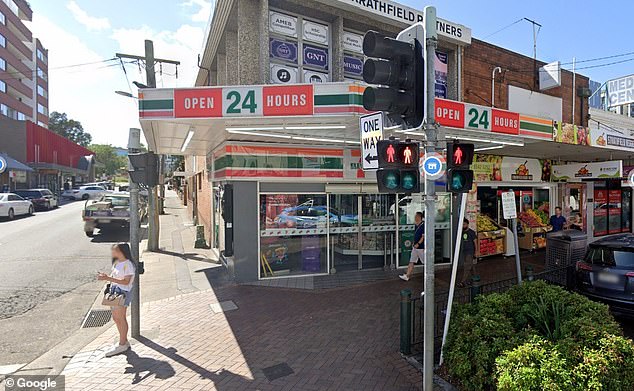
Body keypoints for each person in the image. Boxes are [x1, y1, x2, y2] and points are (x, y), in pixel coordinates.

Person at [98, 243, 136, 357]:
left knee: (120, 317)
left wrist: (108, 278)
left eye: (115, 250)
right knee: (116, 317)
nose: (113, 252)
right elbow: (115, 277)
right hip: (114, 291)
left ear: (121, 252)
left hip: (122, 293)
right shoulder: (117, 263)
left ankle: (122, 344)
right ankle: (123, 340)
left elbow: (126, 281)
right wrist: (107, 277)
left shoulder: (128, 264)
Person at [400, 211, 425, 281]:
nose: (415, 218)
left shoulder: (423, 226)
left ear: (420, 217)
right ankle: (407, 276)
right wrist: (414, 243)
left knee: (425, 262)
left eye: (416, 216)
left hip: (421, 248)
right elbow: (416, 235)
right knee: (411, 261)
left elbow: (423, 237)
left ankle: (429, 275)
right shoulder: (416, 225)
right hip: (415, 247)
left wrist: (418, 244)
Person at [457, 218, 477, 287]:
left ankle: (463, 282)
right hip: (464, 251)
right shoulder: (462, 232)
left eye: (464, 224)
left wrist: (475, 252)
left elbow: (475, 242)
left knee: (467, 266)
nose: (463, 226)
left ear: (467, 224)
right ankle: (475, 277)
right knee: (470, 265)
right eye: (462, 224)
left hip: (470, 251)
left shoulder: (471, 232)